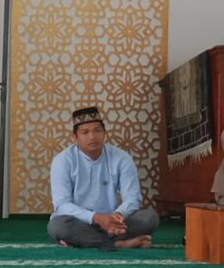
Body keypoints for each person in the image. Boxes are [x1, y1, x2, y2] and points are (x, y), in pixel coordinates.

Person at [47, 106, 159, 250]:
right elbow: (61, 205)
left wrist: (116, 216)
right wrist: (96, 218)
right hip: (79, 222)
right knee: (58, 226)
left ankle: (86, 240)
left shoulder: (121, 158)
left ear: (104, 133)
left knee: (149, 218)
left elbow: (133, 198)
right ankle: (117, 243)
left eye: (97, 130)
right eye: (85, 132)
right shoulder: (62, 161)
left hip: (113, 220)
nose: (92, 137)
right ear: (74, 137)